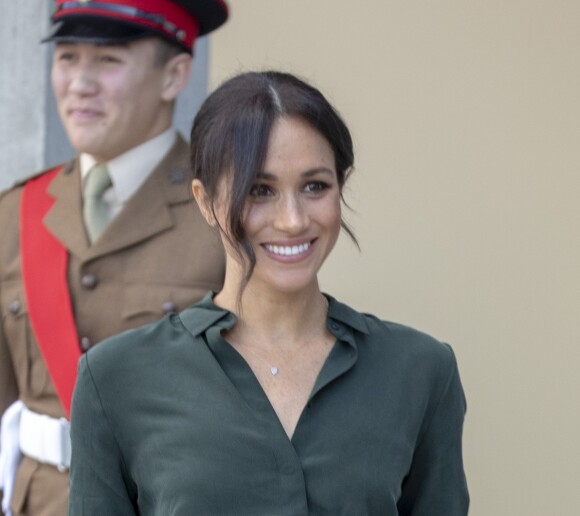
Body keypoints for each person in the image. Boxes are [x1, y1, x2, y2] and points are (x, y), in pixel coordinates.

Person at [68, 71, 469, 515]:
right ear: (203, 200)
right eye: (259, 191)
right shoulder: (115, 378)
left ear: (341, 185)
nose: (293, 220)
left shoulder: (420, 370)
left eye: (315, 186)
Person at [0, 0, 228, 515]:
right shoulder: (15, 213)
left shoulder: (224, 216)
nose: (79, 82)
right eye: (67, 56)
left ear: (175, 75)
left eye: (107, 59)